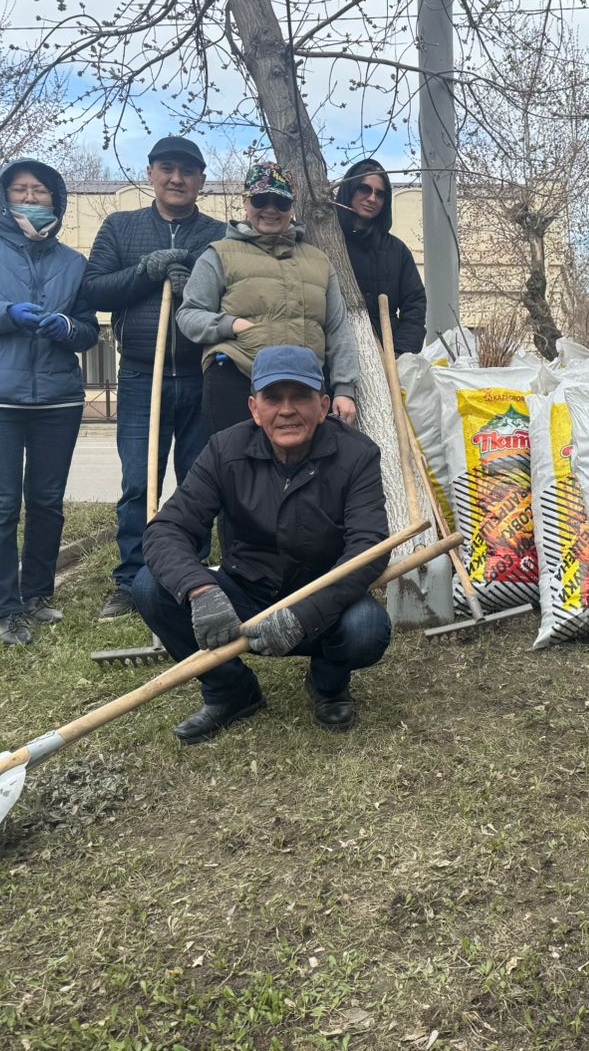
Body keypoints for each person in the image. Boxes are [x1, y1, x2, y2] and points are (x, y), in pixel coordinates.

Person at [132, 345, 394, 743]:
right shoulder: (224, 450)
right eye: (273, 398)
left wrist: (305, 614)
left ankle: (328, 684)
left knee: (366, 628)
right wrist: (202, 590)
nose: (286, 410)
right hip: (246, 593)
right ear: (255, 409)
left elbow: (368, 548)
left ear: (323, 406)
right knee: (149, 587)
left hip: (322, 599)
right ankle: (231, 690)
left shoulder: (357, 456)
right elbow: (167, 530)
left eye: (300, 397)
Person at [0, 160, 99, 646]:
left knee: (47, 502)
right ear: (3, 199)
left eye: (40, 192)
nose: (30, 198)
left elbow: (88, 331)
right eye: (20, 190)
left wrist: (66, 328)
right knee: (0, 503)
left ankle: (38, 595)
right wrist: (5, 313)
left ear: (57, 201)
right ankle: (6, 610)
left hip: (57, 400)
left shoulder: (73, 263)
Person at [80, 136, 227, 623]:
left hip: (203, 375)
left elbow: (233, 300)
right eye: (167, 169)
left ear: (201, 181)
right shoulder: (121, 228)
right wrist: (145, 273)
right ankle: (132, 578)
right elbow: (95, 290)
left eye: (188, 171)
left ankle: (192, 575)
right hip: (144, 375)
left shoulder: (217, 236)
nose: (177, 179)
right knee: (138, 482)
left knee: (199, 483)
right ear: (151, 175)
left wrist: (198, 292)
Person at [176, 161, 361, 436]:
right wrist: (232, 325)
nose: (271, 209)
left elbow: (337, 329)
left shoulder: (319, 262)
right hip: (237, 379)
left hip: (304, 386)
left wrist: (345, 389)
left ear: (292, 206)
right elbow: (189, 315)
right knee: (237, 472)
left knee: (304, 474)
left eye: (281, 202)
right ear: (247, 202)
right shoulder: (219, 254)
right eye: (262, 199)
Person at [336, 158, 426, 353]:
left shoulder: (397, 251)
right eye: (365, 189)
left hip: (388, 357)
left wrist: (400, 353)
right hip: (337, 356)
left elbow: (415, 306)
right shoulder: (330, 245)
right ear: (350, 189)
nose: (372, 199)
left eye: (380, 194)